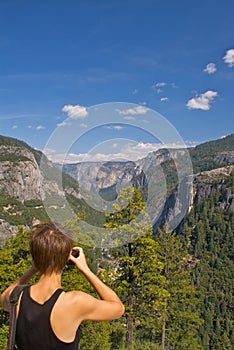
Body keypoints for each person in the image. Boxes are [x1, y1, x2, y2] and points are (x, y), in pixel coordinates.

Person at [0, 222, 125, 350]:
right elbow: (118, 308)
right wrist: (85, 269)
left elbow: (3, 297)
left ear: (34, 256)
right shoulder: (74, 302)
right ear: (67, 257)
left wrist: (33, 268)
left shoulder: (17, 297)